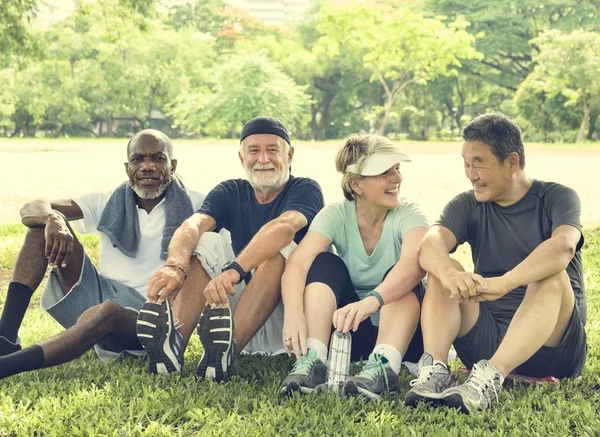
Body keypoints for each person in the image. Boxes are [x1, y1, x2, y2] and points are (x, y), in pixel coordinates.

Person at [405, 113, 587, 413]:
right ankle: (436, 370)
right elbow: (430, 244)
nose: (470, 173)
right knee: (442, 269)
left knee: (552, 274)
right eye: (465, 163)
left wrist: (505, 283)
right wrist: (449, 272)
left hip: (553, 347)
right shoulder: (468, 204)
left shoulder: (557, 197)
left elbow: (563, 247)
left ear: (512, 162)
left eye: (479, 162)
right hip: (484, 341)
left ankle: (491, 379)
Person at [0, 129, 204, 380]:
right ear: (127, 167)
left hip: (151, 318)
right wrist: (54, 217)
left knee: (107, 311)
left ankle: (7, 366)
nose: (147, 166)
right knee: (39, 227)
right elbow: (32, 207)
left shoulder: (196, 205)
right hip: (98, 296)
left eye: (158, 159)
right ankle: (6, 338)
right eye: (138, 159)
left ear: (172, 165)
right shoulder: (108, 201)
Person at [137, 116, 325, 381]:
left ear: (290, 155)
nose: (263, 159)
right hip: (238, 311)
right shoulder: (231, 190)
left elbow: (284, 228)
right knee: (205, 242)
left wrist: (235, 270)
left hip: (287, 320)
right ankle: (174, 343)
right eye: (254, 151)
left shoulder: (305, 189)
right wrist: (175, 266)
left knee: (281, 250)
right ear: (241, 158)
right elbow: (192, 225)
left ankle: (226, 351)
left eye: (273, 150)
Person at [279, 134, 428, 399]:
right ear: (356, 184)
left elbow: (414, 266)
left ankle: (384, 368)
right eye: (385, 172)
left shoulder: (409, 213)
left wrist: (370, 302)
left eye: (397, 169)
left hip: (406, 337)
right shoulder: (336, 214)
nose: (397, 179)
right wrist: (293, 315)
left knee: (400, 274)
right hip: (351, 333)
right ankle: (314, 358)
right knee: (325, 262)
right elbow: (298, 264)